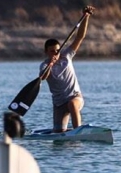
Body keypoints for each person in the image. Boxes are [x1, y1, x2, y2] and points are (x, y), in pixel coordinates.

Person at [40, 5, 95, 133]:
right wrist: (51, 64)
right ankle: (70, 131)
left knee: (72, 104)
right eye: (52, 51)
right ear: (46, 52)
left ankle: (78, 131)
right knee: (58, 132)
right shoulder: (44, 65)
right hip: (59, 103)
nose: (55, 53)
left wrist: (86, 17)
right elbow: (43, 77)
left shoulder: (67, 55)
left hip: (75, 97)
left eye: (57, 50)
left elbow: (79, 37)